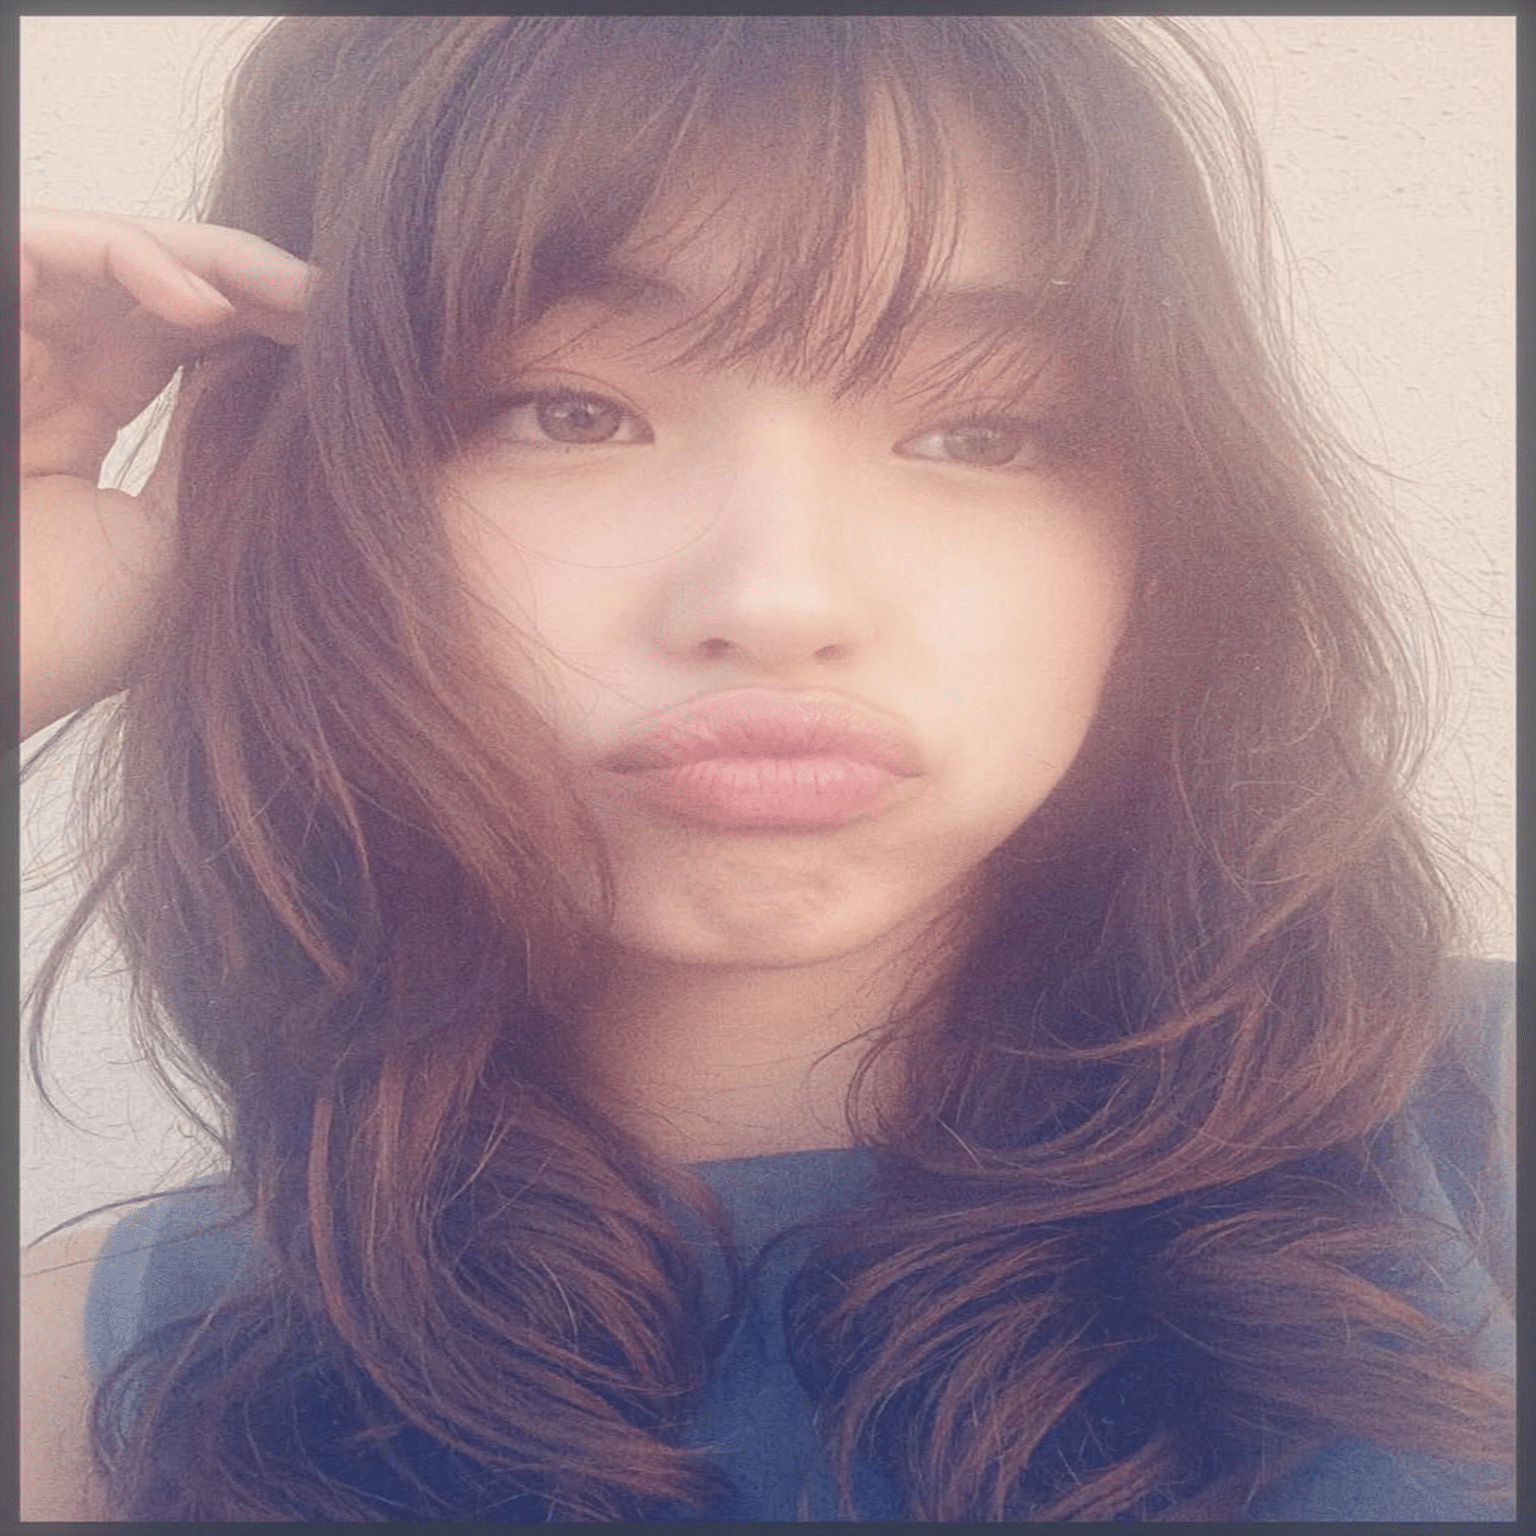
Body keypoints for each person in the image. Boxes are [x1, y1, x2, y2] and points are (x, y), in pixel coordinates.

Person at [18, 16, 1513, 1522]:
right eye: (569, 413)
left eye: (979, 431)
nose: (780, 598)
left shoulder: (1486, 1132)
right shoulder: (94, 1375)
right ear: (305, 494)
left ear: (1166, 541)